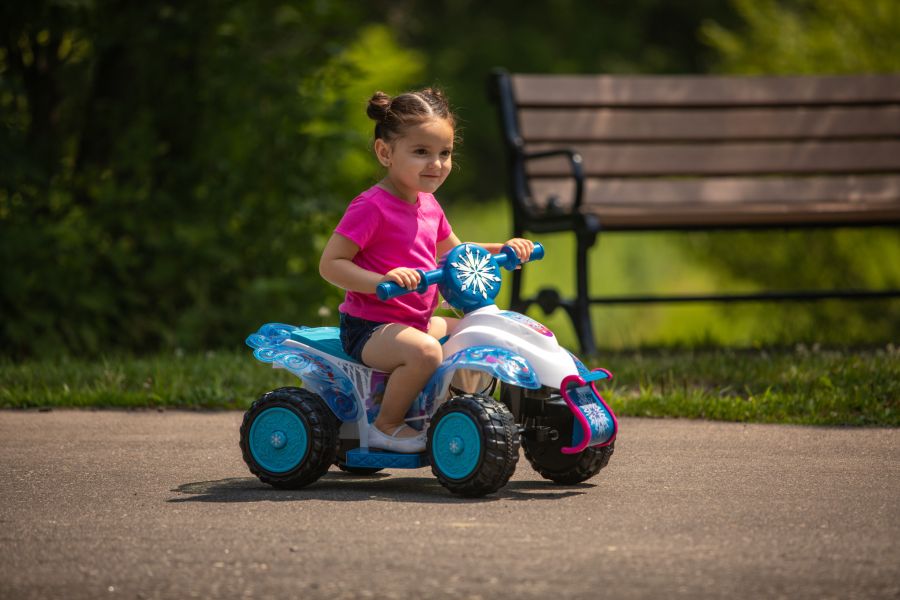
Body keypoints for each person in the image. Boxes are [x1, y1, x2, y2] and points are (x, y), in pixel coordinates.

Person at [319, 88, 534, 453]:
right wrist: (380, 281)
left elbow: (458, 255)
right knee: (426, 354)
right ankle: (385, 426)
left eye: (444, 153)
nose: (436, 164)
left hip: (417, 321)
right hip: (371, 327)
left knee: (476, 332)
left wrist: (504, 249)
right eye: (421, 152)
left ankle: (463, 413)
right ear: (385, 153)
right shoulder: (371, 207)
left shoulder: (429, 205)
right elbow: (331, 265)